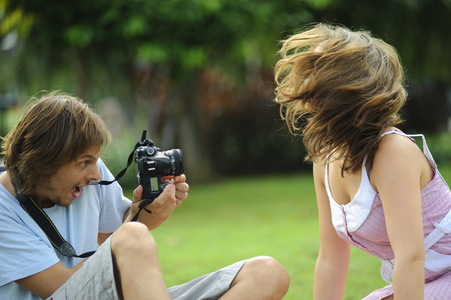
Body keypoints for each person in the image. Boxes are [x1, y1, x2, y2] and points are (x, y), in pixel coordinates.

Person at [0, 91, 290, 300]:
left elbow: (114, 251)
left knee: (266, 273)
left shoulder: (90, 178)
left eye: (94, 161)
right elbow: (59, 288)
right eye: (84, 162)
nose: (96, 175)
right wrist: (137, 228)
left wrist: (143, 214)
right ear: (43, 162)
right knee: (133, 236)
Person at [274, 23, 451, 299]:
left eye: (316, 66)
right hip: (426, 280)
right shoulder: (324, 156)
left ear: (343, 85)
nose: (303, 75)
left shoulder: (392, 153)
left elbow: (410, 258)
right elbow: (331, 259)